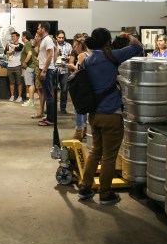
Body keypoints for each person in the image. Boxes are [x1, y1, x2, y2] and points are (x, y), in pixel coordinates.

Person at [77, 28, 144, 206]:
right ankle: (105, 193)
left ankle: (85, 187)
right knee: (108, 156)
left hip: (94, 115)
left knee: (95, 151)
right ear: (107, 41)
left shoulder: (87, 60)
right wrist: (128, 36)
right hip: (111, 115)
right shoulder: (113, 55)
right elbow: (138, 47)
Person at [68, 34, 90, 140]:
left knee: (78, 108)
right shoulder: (89, 54)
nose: (74, 48)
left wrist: (71, 66)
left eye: (76, 46)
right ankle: (84, 129)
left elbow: (79, 70)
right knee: (84, 108)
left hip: (81, 84)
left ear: (80, 45)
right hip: (86, 83)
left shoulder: (81, 55)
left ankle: (79, 130)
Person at [36, 22, 55, 126]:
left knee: (49, 95)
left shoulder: (48, 40)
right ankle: (48, 117)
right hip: (44, 69)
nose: (37, 29)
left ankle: (51, 119)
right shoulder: (44, 40)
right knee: (47, 94)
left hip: (47, 70)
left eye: (39, 28)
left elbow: (50, 55)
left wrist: (44, 70)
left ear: (43, 29)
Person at [55, 30, 72, 114]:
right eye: (59, 37)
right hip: (54, 69)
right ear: (56, 37)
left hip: (64, 69)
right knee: (53, 90)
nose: (61, 39)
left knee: (64, 90)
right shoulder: (53, 45)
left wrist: (67, 58)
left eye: (62, 37)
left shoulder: (68, 45)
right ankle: (51, 108)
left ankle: (63, 108)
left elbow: (72, 57)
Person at [6, 31, 24, 102]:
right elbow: (5, 52)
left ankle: (19, 96)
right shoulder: (9, 45)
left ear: (18, 37)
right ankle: (12, 95)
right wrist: (8, 52)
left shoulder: (20, 45)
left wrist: (10, 45)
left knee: (19, 82)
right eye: (12, 36)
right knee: (11, 82)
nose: (12, 38)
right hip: (10, 65)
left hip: (18, 66)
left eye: (14, 36)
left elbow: (17, 49)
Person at [21, 30, 36, 107]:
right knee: (31, 84)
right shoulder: (29, 43)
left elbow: (29, 54)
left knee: (29, 84)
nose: (21, 37)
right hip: (31, 66)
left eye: (22, 36)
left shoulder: (27, 44)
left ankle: (30, 101)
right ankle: (31, 100)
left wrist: (25, 62)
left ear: (24, 36)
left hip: (29, 67)